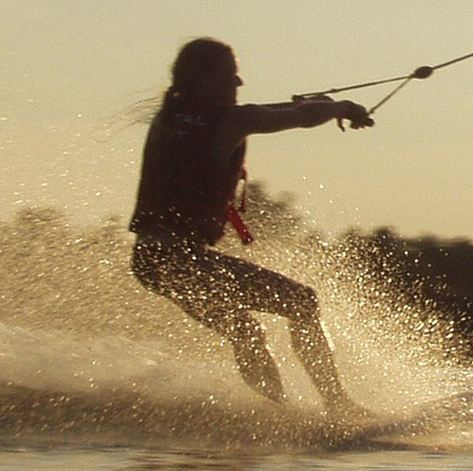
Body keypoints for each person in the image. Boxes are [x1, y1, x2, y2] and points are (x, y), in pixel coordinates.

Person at [129, 37, 374, 417]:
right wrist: (339, 107)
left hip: (150, 261)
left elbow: (264, 113)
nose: (238, 83)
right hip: (180, 258)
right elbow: (285, 118)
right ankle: (339, 406)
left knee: (245, 332)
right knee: (303, 303)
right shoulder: (232, 120)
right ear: (203, 77)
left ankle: (276, 414)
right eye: (232, 74)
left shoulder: (169, 116)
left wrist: (317, 105)